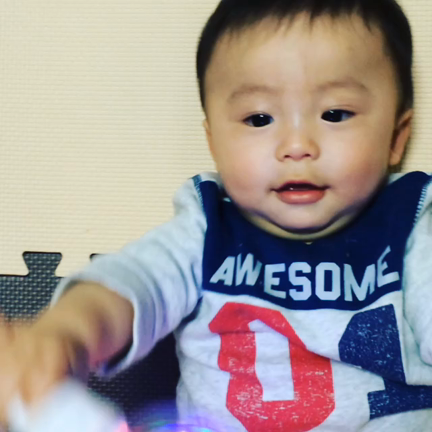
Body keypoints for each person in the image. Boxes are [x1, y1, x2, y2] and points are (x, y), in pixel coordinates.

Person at [1, 0, 432, 430]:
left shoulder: (411, 224)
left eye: (334, 114)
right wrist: (67, 333)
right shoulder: (207, 228)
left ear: (396, 138)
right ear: (214, 143)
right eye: (259, 118)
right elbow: (133, 282)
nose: (297, 146)